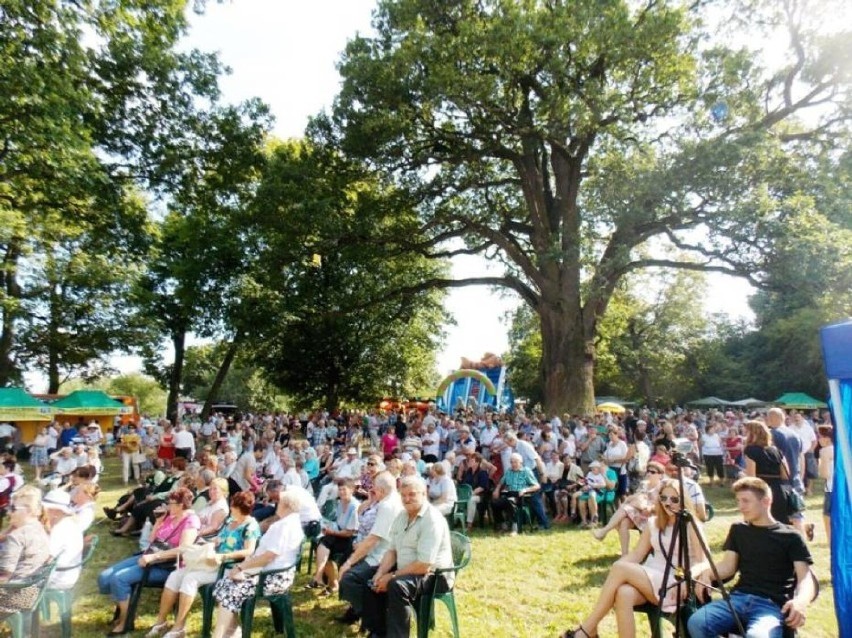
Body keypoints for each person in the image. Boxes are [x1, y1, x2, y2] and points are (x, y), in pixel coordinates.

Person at [560, 478, 705, 638]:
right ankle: (591, 630)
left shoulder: (690, 524)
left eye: (674, 499)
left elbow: (704, 561)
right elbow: (637, 554)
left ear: (684, 501)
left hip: (677, 581)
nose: (668, 503)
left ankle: (587, 629)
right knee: (624, 593)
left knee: (620, 567)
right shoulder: (654, 523)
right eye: (663, 498)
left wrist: (688, 576)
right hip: (653, 576)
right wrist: (617, 573)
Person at [687, 477, 815, 638]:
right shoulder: (739, 530)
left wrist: (801, 601)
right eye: (738, 500)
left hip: (771, 606)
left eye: (746, 501)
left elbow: (806, 578)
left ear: (766, 501)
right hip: (737, 599)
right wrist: (707, 573)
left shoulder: (791, 536)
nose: (740, 506)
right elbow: (727, 567)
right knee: (697, 622)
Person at [145, 491, 260, 638]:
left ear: (240, 509)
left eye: (233, 507)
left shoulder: (250, 526)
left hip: (228, 567)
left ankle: (179, 627)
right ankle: (161, 622)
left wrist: (223, 556)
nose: (230, 509)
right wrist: (204, 546)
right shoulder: (231, 521)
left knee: (190, 579)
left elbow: (248, 551)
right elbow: (219, 539)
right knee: (175, 575)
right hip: (212, 561)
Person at [360, 475, 454, 638]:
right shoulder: (402, 516)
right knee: (370, 577)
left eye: (412, 494)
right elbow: (392, 550)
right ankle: (378, 631)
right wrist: (380, 573)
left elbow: (424, 565)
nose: (407, 499)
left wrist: (392, 575)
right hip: (409, 569)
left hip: (435, 575)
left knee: (397, 585)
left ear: (424, 494)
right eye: (403, 495)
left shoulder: (432, 519)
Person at [98, 487, 200, 635]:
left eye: (171, 503)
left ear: (181, 505)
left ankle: (125, 621)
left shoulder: (191, 520)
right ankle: (123, 603)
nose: (167, 506)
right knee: (105, 577)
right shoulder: (169, 516)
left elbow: (184, 549)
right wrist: (158, 522)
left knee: (119, 579)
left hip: (167, 566)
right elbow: (152, 540)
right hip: (149, 557)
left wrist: (154, 557)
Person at [210, 490, 304, 638]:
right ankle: (231, 632)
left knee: (229, 588)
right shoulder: (291, 522)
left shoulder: (284, 526)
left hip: (271, 578)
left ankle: (220, 634)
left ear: (285, 505)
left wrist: (242, 567)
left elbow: (268, 557)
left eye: (278, 503)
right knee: (225, 584)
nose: (276, 505)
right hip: (270, 573)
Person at [338, 471, 403, 626]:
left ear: (380, 490)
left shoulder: (387, 505)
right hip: (384, 552)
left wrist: (349, 563)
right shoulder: (394, 500)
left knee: (348, 578)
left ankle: (374, 620)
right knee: (346, 558)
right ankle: (357, 610)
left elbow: (373, 539)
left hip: (383, 557)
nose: (372, 492)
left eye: (373, 489)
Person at [592, 461, 665, 555]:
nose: (649, 474)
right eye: (648, 471)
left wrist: (645, 506)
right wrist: (630, 501)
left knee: (625, 508)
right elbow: (635, 496)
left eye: (653, 472)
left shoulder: (662, 488)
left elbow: (660, 506)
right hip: (637, 512)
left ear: (660, 475)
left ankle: (604, 531)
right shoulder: (644, 484)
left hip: (651, 516)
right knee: (624, 522)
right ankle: (624, 554)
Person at [0, 486, 51, 618]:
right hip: (33, 591)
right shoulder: (40, 528)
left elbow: (4, 577)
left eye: (13, 509)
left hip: (14, 596)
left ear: (29, 510)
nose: (8, 513)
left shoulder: (17, 536)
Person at [306, 478, 360, 595]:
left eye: (344, 489)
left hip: (352, 540)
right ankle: (326, 580)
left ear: (351, 490)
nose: (341, 492)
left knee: (325, 542)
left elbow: (350, 532)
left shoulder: (355, 506)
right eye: (339, 489)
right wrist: (328, 527)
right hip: (339, 535)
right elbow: (338, 523)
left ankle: (320, 577)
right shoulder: (340, 503)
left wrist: (332, 532)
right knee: (320, 542)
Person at [743, 420, 790, 525]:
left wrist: (742, 475)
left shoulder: (750, 450)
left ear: (753, 434)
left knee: (760, 523)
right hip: (778, 490)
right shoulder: (775, 450)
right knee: (780, 522)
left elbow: (751, 478)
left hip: (761, 491)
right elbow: (786, 474)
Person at [41, 489, 84, 592]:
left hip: (59, 578)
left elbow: (46, 558)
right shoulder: (68, 523)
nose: (41, 512)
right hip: (69, 572)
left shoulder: (60, 529)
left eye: (44, 509)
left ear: (56, 511)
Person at [491, 452, 541, 535]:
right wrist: (497, 489)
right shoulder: (509, 471)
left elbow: (537, 486)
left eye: (515, 462)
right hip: (509, 494)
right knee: (494, 503)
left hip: (522, 496)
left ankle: (515, 529)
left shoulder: (526, 471)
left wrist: (525, 490)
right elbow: (501, 482)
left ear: (520, 462)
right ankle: (503, 525)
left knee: (510, 502)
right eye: (511, 462)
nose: (513, 464)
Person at [816, 425, 833, 544]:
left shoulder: (825, 451)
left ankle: (831, 541)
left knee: (827, 516)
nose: (818, 440)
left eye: (819, 437)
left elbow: (824, 474)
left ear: (826, 438)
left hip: (831, 487)